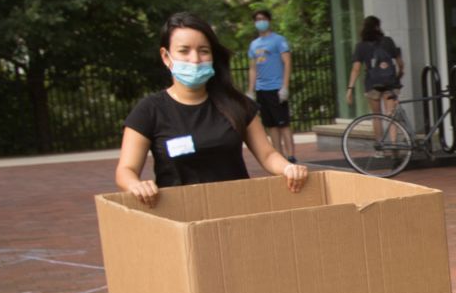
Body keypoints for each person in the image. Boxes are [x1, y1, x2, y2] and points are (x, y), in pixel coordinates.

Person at [116, 11, 311, 204]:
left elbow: (267, 154)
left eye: (203, 51)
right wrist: (136, 185)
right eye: (184, 51)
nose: (195, 59)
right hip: (179, 217)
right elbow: (126, 170)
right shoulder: (150, 110)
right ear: (166, 56)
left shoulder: (236, 104)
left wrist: (288, 168)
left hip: (235, 210)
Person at [245, 6, 295, 162]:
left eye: (263, 19)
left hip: (276, 87)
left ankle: (291, 156)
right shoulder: (254, 45)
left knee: (283, 123)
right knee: (271, 125)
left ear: (269, 21)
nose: (260, 22)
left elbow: (287, 62)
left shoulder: (278, 40)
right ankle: (279, 157)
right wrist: (251, 90)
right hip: (262, 89)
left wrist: (284, 86)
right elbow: (253, 68)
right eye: (257, 20)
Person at [350, 18, 403, 116]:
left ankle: (379, 132)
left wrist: (350, 88)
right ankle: (392, 131)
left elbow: (356, 69)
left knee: (376, 116)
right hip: (390, 81)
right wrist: (399, 75)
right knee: (391, 115)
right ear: (377, 27)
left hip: (372, 83)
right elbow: (400, 63)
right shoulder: (388, 41)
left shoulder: (360, 46)